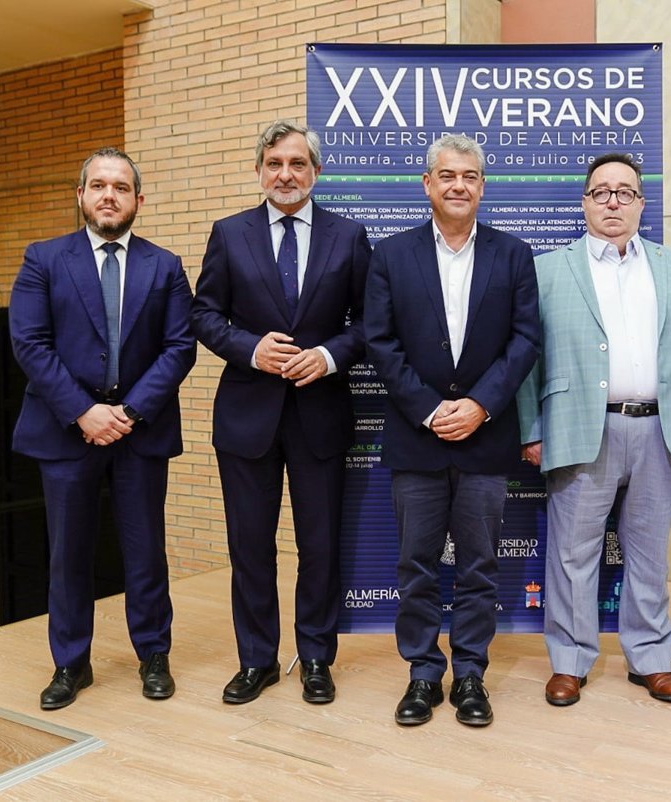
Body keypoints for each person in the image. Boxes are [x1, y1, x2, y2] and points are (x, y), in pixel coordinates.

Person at [516, 153, 671, 708]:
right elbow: (525, 358)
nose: (613, 201)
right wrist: (532, 429)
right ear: (585, 203)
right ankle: (569, 661)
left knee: (650, 555)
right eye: (602, 191)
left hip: (661, 431)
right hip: (581, 429)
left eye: (625, 192)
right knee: (572, 555)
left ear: (640, 203)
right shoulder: (546, 270)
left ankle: (651, 658)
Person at [191, 120, 371, 706]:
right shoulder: (229, 233)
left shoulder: (349, 236)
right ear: (259, 171)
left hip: (321, 413)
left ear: (316, 171)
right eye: (274, 164)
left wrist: (328, 355)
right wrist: (251, 349)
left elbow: (371, 323)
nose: (285, 174)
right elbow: (204, 315)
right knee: (251, 547)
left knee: (320, 546)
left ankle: (316, 658)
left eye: (297, 164)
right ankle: (257, 660)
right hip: (247, 417)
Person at [10, 147, 196, 710]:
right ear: (81, 195)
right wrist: (84, 412)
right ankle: (71, 662)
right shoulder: (43, 259)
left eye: (120, 187)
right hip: (66, 431)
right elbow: (30, 343)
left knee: (146, 551)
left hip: (141, 432)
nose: (108, 195)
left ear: (139, 199)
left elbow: (179, 347)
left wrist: (130, 412)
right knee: (68, 553)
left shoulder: (165, 266)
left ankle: (154, 654)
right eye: (98, 185)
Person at [364, 134, 539, 728]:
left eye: (469, 176)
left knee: (478, 566)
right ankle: (421, 673)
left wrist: (481, 405)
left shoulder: (513, 254)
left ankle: (469, 674)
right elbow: (379, 341)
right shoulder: (391, 255)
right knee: (416, 565)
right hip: (417, 438)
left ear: (482, 186)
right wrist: (429, 408)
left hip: (486, 439)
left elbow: (525, 340)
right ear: (427, 184)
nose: (458, 185)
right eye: (447, 175)